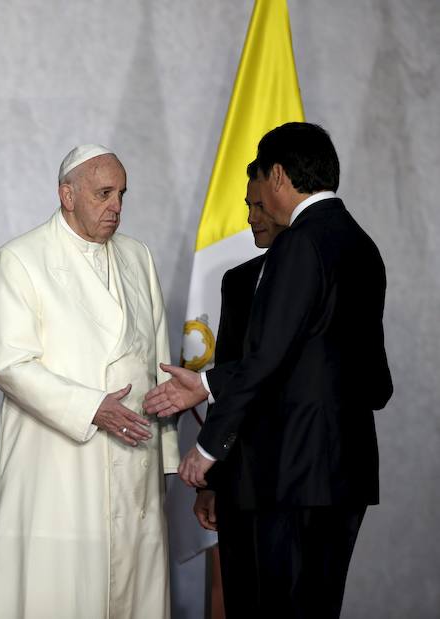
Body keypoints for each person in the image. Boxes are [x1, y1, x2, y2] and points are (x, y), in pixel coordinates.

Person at [144, 123, 393, 618]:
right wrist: (212, 382)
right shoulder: (362, 246)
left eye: (259, 183)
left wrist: (209, 447)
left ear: (277, 175)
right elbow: (373, 383)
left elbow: (266, 358)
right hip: (345, 474)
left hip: (288, 473)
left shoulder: (299, 244)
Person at [0, 144, 179, 618]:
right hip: (57, 457)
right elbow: (11, 364)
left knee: (132, 589)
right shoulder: (19, 258)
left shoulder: (137, 256)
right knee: (60, 589)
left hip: (134, 453)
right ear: (66, 194)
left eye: (122, 195)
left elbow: (158, 358)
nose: (117, 207)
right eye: (103, 194)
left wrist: (166, 455)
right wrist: (92, 407)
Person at [193, 161, 287, 617]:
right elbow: (224, 381)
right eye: (248, 206)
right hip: (239, 481)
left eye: (260, 206)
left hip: (294, 481)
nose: (251, 217)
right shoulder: (239, 281)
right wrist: (211, 482)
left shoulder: (325, 272)